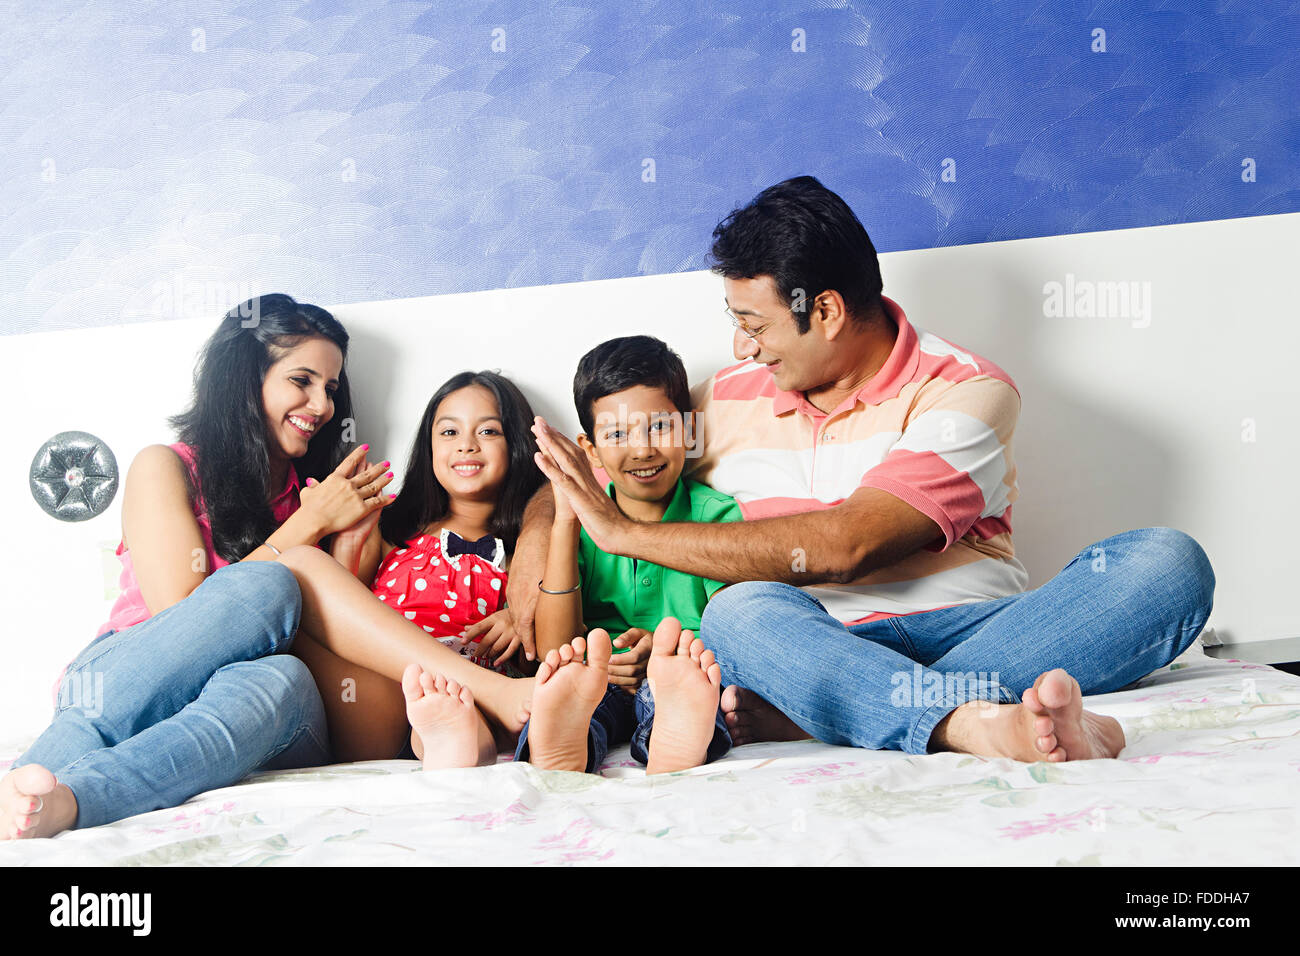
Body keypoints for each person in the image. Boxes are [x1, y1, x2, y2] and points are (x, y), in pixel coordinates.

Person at [520, 176, 1216, 764]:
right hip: (801, 638)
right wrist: (541, 526)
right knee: (738, 612)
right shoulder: (726, 397)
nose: (741, 345)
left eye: (754, 325)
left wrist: (621, 535)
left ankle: (835, 714)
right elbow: (621, 461)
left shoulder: (963, 390)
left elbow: (846, 545)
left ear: (823, 311)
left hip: (978, 629)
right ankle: (964, 718)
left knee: (1167, 563)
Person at [1, 294, 395, 839]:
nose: (322, 405)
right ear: (243, 377)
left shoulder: (328, 496)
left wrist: (345, 537)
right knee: (265, 591)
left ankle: (57, 797)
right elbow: (184, 616)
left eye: (331, 388)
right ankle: (41, 790)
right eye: (302, 380)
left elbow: (342, 657)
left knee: (280, 675)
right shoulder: (166, 467)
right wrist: (309, 526)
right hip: (134, 675)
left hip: (253, 700)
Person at [287, 371, 545, 768]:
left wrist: (521, 617)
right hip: (383, 699)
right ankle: (458, 716)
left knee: (454, 714)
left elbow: (546, 637)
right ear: (428, 446)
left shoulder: (527, 547)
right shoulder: (391, 529)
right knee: (299, 564)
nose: (467, 446)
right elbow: (338, 619)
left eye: (489, 431)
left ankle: (453, 748)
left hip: (475, 703)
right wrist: (348, 539)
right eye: (448, 433)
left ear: (517, 444)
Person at [515, 336, 741, 775]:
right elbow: (553, 647)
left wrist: (662, 649)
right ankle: (566, 744)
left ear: (688, 430)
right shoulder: (579, 527)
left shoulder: (717, 516)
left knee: (685, 691)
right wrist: (565, 519)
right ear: (591, 449)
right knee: (576, 685)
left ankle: (671, 738)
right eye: (617, 434)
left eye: (659, 426)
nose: (642, 449)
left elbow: (735, 629)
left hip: (676, 673)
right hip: (599, 677)